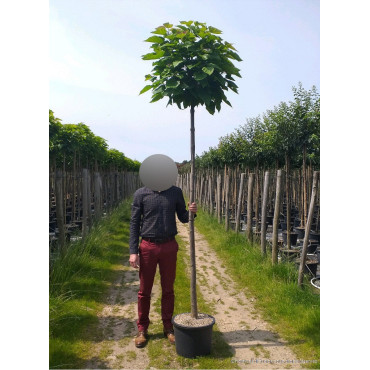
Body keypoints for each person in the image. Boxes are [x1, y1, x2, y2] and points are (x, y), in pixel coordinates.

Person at [129, 184, 197, 348]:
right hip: (148, 247)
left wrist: (191, 213)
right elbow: (134, 223)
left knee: (168, 289)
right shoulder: (141, 193)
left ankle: (168, 327)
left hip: (169, 245)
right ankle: (142, 329)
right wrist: (133, 251)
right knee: (144, 290)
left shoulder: (175, 192)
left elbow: (183, 217)